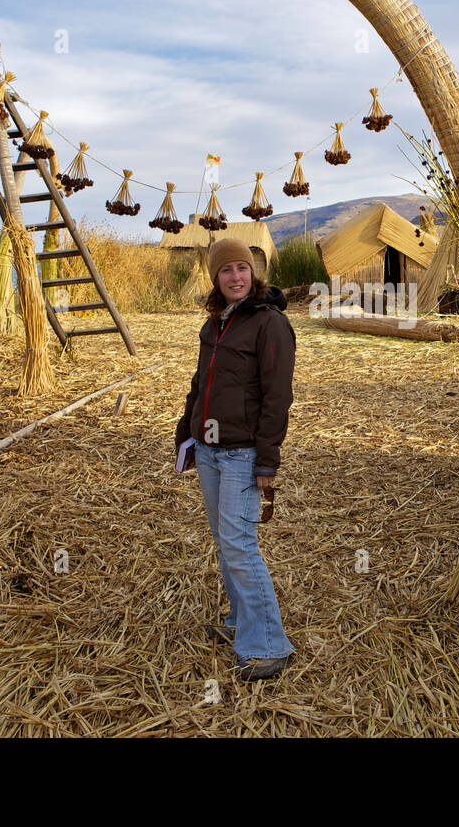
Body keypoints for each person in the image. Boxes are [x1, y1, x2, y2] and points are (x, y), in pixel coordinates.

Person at [175, 238, 296, 680]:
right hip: (209, 450)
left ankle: (268, 644)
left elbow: (277, 396)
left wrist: (267, 461)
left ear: (254, 273)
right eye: (227, 271)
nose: (236, 277)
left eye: (243, 268)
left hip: (242, 453)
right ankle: (241, 621)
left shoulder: (270, 324)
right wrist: (186, 432)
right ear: (216, 277)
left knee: (241, 546)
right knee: (227, 543)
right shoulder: (216, 323)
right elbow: (200, 381)